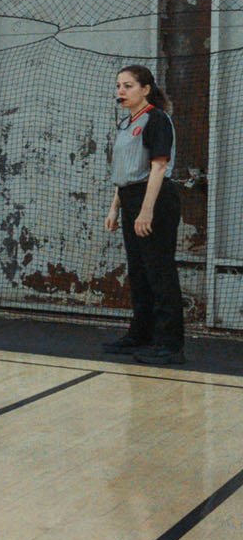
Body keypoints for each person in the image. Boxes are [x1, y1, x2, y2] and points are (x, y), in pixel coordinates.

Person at [102, 64, 183, 366]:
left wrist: (147, 210)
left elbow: (158, 167)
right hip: (130, 197)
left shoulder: (156, 119)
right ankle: (141, 334)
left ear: (145, 89)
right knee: (138, 270)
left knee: (159, 271)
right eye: (118, 86)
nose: (121, 91)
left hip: (154, 198)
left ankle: (170, 344)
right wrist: (115, 207)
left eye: (128, 86)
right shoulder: (125, 124)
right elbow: (123, 173)